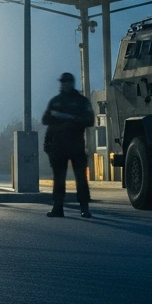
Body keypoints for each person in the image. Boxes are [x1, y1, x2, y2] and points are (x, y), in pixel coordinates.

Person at [41, 72, 95, 218]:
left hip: (76, 144)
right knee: (59, 178)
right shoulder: (56, 101)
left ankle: (84, 208)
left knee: (81, 178)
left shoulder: (81, 101)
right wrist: (58, 120)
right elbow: (45, 120)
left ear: (72, 83)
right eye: (63, 82)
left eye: (67, 82)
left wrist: (72, 120)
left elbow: (90, 120)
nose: (65, 84)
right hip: (58, 146)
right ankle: (57, 207)